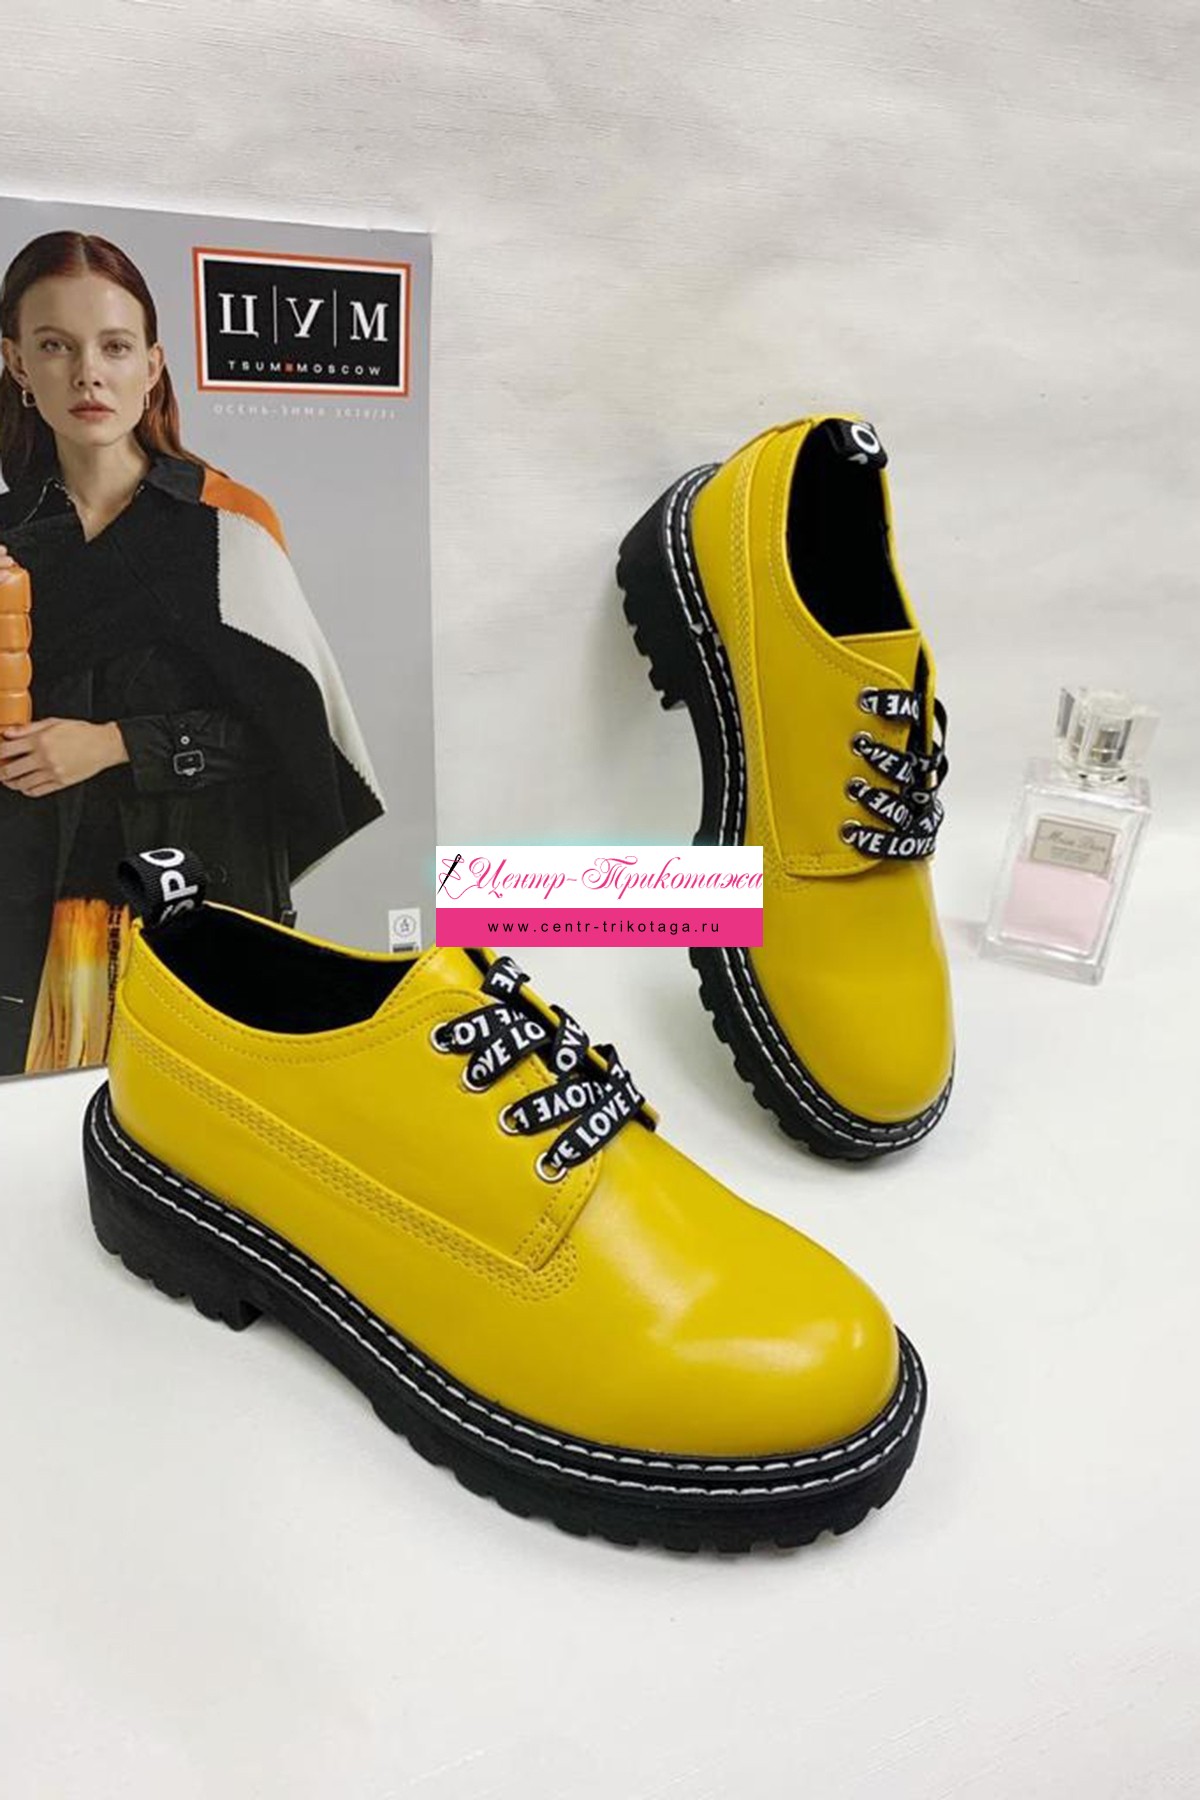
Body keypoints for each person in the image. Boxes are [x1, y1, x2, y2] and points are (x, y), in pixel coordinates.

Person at [0, 229, 386, 1077]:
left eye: (114, 347)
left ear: (153, 366)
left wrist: (114, 744)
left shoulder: (227, 527)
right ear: (18, 363)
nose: (88, 374)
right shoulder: (7, 541)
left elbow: (296, 747)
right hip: (35, 932)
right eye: (55, 346)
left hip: (204, 906)